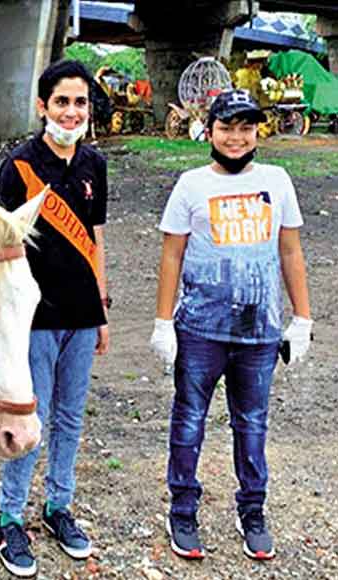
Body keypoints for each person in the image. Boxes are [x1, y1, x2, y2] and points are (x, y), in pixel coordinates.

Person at [150, 89, 312, 561]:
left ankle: (253, 511)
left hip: (260, 331)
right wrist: (163, 323)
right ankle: (182, 508)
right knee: (188, 422)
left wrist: (301, 318)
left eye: (245, 127)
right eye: (227, 127)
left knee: (253, 424)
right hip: (199, 329)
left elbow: (290, 251)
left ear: (256, 131)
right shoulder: (191, 185)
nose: (236, 137)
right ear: (210, 130)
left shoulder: (277, 181)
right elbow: (172, 253)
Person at [0, 60, 110, 577]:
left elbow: (97, 238)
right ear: (43, 106)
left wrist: (102, 309)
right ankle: (10, 516)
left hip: (83, 315)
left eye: (80, 102)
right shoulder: (19, 165)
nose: (71, 111)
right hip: (34, 319)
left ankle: (59, 506)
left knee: (70, 417)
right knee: (29, 420)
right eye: (62, 101)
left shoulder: (95, 165)